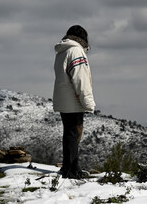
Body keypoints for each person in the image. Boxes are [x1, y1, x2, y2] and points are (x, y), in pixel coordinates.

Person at [53, 25, 95, 178]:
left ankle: (67, 167)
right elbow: (80, 79)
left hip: (63, 98)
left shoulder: (62, 51)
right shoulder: (76, 51)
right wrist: (88, 102)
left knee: (68, 134)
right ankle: (72, 170)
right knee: (74, 134)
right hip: (73, 99)